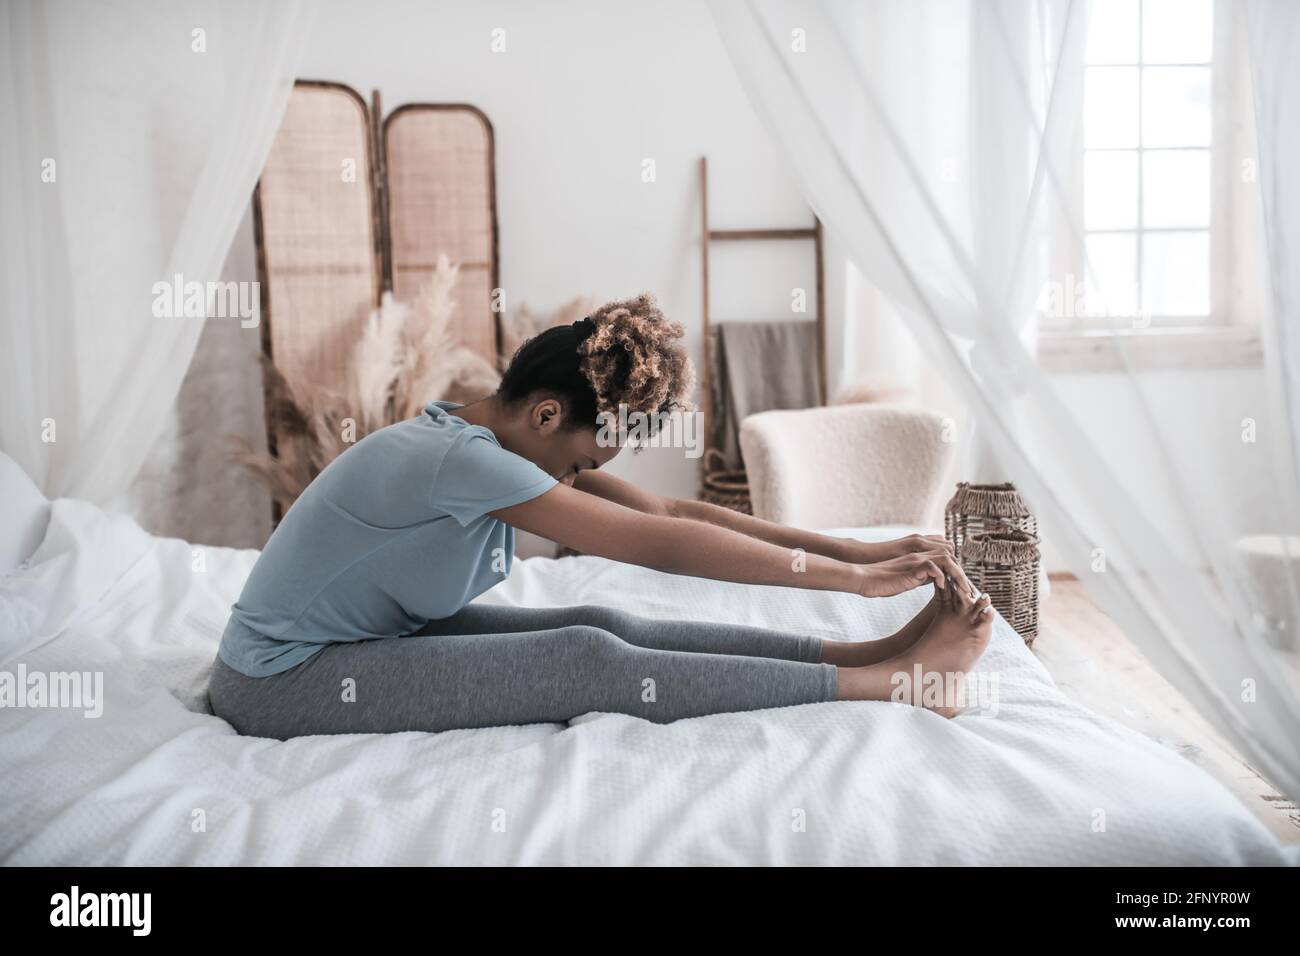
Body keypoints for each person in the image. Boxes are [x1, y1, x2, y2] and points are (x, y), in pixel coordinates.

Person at [208, 293, 992, 739]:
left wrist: (856, 554)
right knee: (588, 657)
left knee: (600, 620)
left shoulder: (480, 439)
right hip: (280, 681)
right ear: (546, 415)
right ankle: (890, 688)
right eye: (582, 463)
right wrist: (850, 579)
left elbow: (669, 509)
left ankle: (872, 660)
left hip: (359, 641)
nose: (577, 481)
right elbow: (660, 544)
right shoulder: (466, 461)